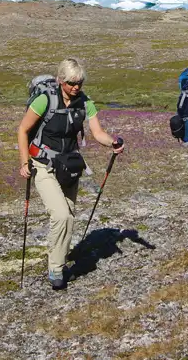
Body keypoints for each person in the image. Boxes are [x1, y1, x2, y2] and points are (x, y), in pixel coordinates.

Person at [17, 58, 124, 290]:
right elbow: (23, 130)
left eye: (79, 83)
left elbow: (98, 132)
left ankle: (60, 258)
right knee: (61, 215)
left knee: (69, 215)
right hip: (43, 165)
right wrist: (24, 162)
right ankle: (56, 268)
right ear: (60, 80)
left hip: (69, 166)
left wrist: (112, 142)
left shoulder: (85, 103)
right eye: (71, 83)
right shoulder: (45, 99)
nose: (76, 87)